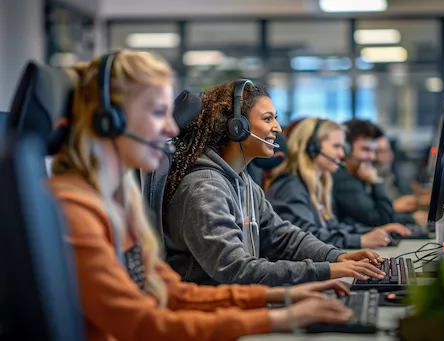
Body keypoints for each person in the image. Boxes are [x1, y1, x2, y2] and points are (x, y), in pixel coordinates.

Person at [47, 51, 355, 341]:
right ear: (109, 120)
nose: (170, 127)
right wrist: (278, 319)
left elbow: (174, 293)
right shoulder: (74, 211)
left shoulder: (117, 203)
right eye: (158, 112)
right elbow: (143, 324)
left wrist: (282, 296)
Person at [164, 80, 386, 287]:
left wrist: (336, 256)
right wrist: (328, 270)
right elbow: (236, 270)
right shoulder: (205, 189)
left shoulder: (244, 182)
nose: (278, 128)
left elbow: (283, 237)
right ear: (236, 126)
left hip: (239, 302)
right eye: (268, 118)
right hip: (212, 311)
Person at [267, 118, 411, 249]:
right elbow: (308, 238)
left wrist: (372, 232)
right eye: (336, 146)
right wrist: (360, 240)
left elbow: (331, 228)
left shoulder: (317, 185)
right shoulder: (290, 186)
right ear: (312, 147)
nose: (342, 154)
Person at [331, 119, 427, 227]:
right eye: (365, 149)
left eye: (373, 151)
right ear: (346, 148)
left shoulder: (355, 175)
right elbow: (381, 219)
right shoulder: (343, 178)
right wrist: (376, 181)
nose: (372, 157)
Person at [375, 135, 431, 212]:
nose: (390, 156)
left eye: (389, 150)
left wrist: (418, 199)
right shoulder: (373, 180)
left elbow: (396, 200)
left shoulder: (387, 176)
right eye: (383, 151)